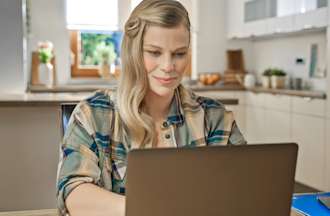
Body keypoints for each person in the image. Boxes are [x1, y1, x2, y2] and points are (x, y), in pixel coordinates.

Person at [56, 0, 246, 215]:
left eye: (179, 53)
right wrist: (151, 209)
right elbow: (72, 191)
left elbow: (245, 188)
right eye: (154, 52)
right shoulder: (92, 114)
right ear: (133, 52)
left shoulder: (215, 118)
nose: (168, 67)